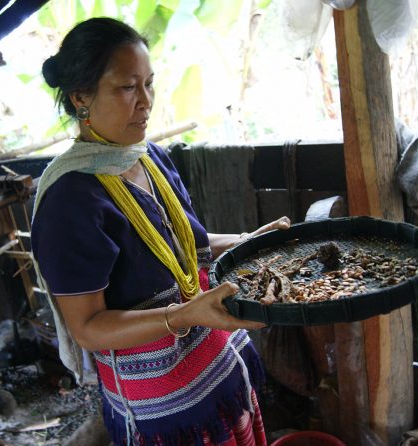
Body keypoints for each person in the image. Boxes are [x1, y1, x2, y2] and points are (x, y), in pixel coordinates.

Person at [31, 17, 291, 446]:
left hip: (216, 360)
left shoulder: (149, 156)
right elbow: (89, 328)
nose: (146, 102)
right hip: (169, 408)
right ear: (81, 97)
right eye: (127, 88)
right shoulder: (70, 201)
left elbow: (185, 245)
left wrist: (249, 241)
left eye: (149, 84)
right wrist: (185, 315)